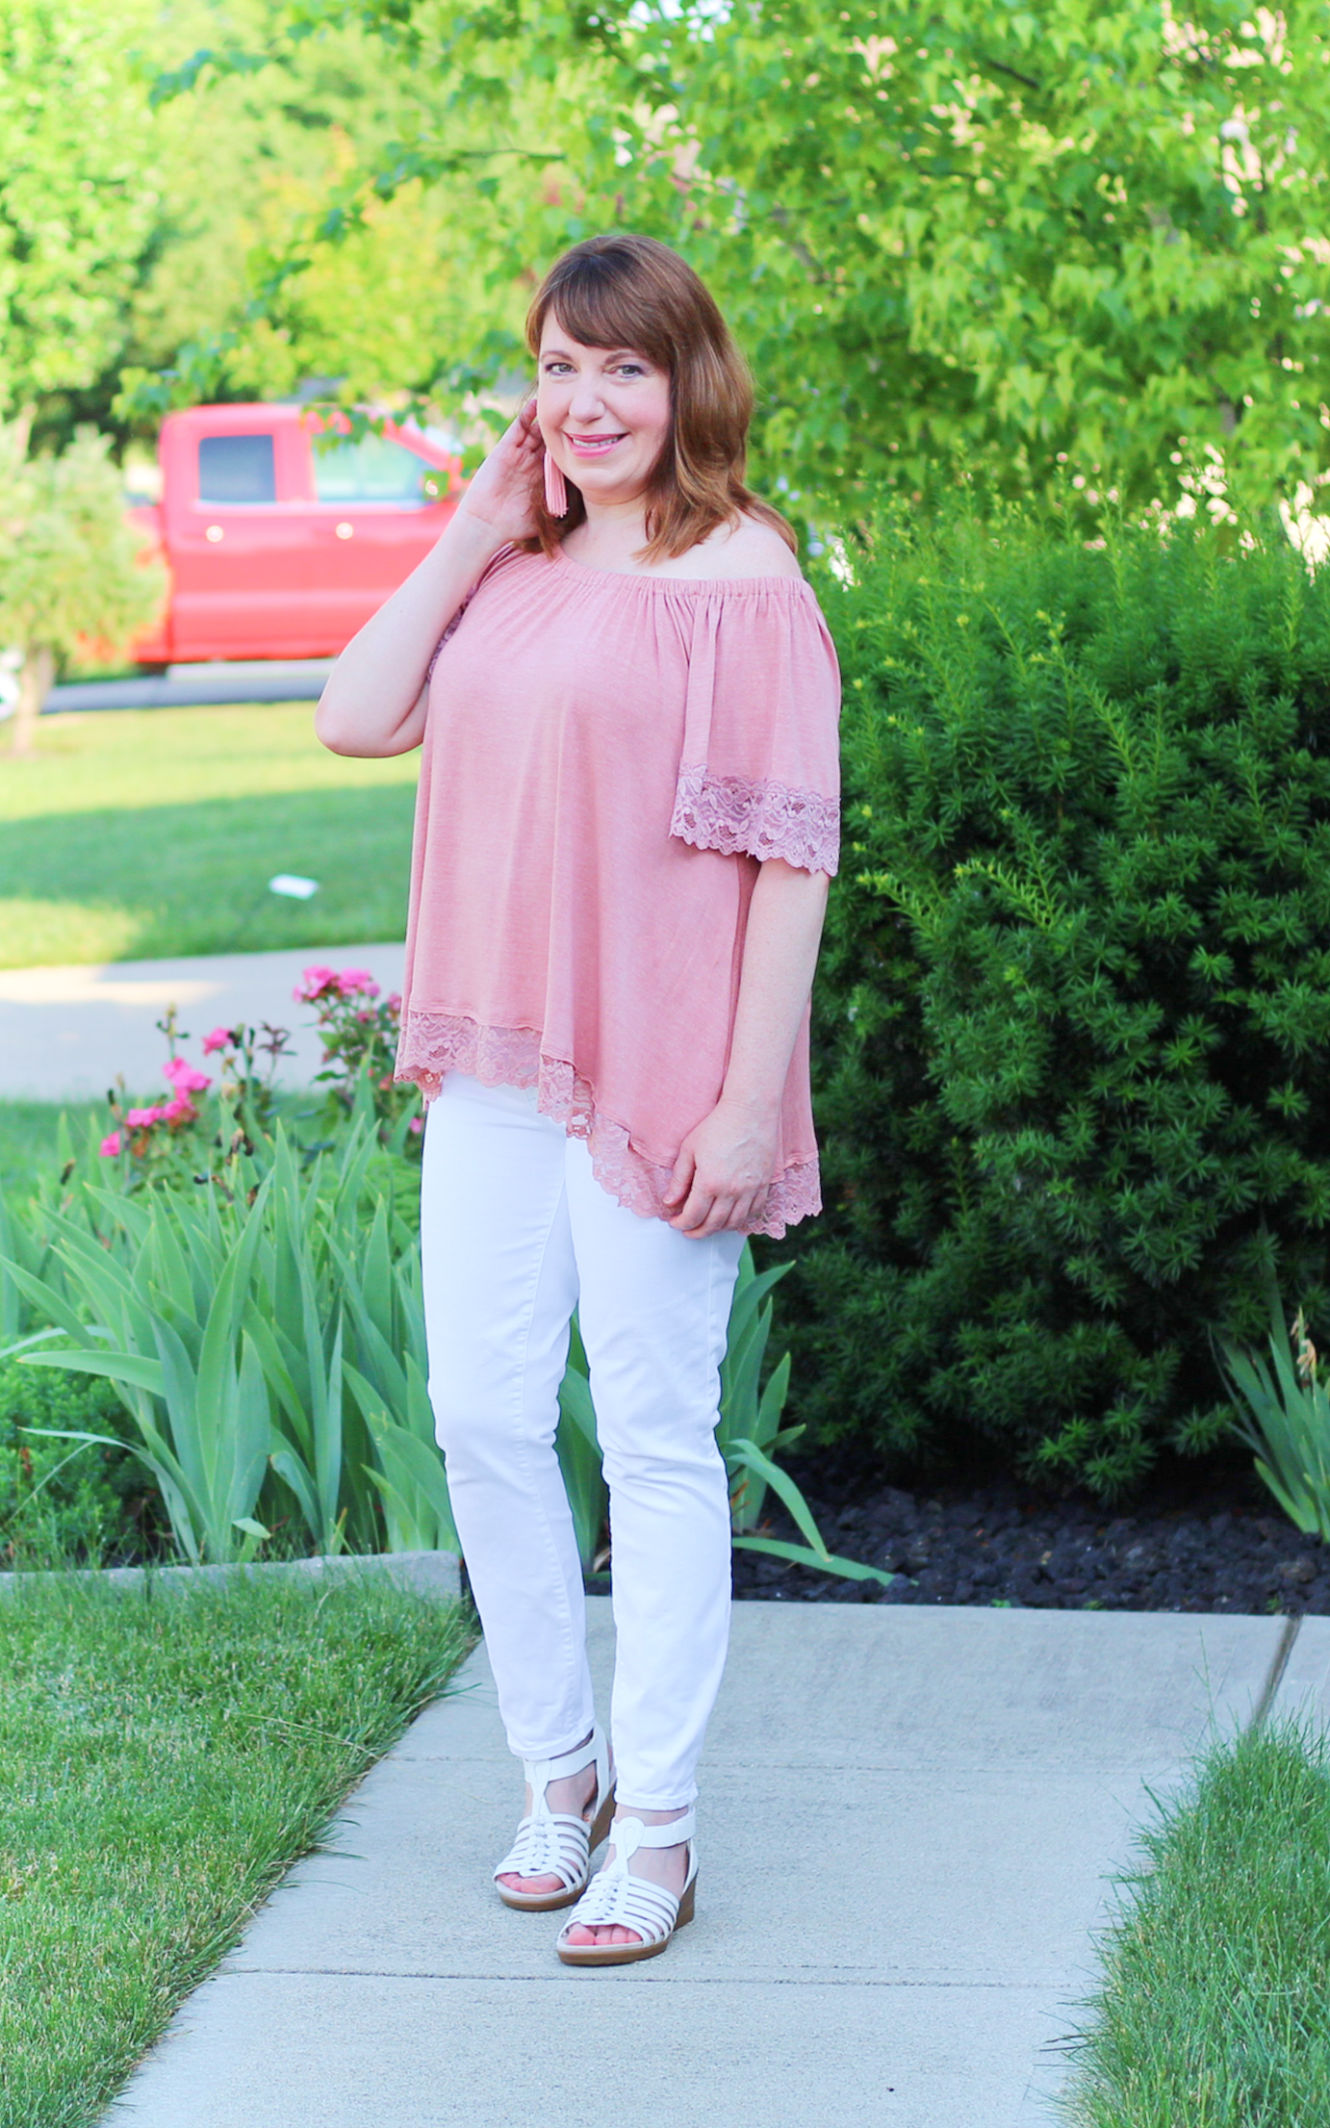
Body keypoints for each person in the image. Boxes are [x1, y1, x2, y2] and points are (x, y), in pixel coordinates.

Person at [316, 231, 840, 1967]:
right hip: (493, 1061)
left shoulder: (747, 578)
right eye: (558, 365)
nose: (589, 399)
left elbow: (791, 867)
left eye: (623, 366)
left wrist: (748, 1106)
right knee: (479, 1410)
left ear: (688, 377)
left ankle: (664, 1826)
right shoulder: (512, 563)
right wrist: (473, 527)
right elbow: (351, 713)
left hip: (662, 1074)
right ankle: (562, 1775)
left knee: (653, 1436)